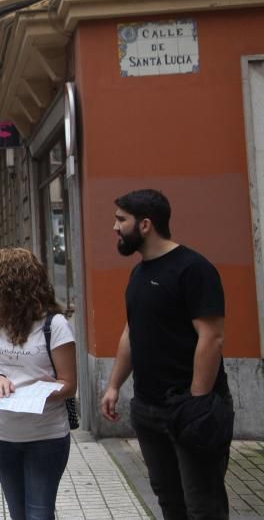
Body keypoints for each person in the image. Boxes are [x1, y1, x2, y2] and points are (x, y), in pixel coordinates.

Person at [100, 189, 232, 520]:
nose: (114, 227)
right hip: (148, 408)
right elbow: (132, 331)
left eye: (121, 220)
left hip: (190, 408)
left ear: (145, 225)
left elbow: (211, 336)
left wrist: (197, 402)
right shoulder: (139, 273)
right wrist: (115, 385)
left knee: (203, 507)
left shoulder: (193, 269)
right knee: (169, 502)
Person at [0, 247, 76, 520]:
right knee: (18, 514)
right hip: (1, 434)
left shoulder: (55, 325)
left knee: (39, 514)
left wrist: (41, 392)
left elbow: (69, 384)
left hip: (45, 436)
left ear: (12, 285)